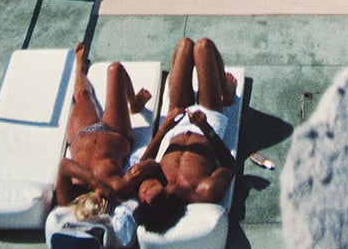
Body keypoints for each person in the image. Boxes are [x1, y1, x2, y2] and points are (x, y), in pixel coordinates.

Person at [124, 37, 240, 234]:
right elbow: (229, 165)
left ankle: (182, 86)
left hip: (175, 126)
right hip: (208, 121)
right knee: (204, 46)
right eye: (146, 199)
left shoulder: (151, 185)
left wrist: (164, 128)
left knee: (185, 44)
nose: (142, 195)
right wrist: (205, 127)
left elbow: (146, 161)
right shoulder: (203, 190)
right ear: (161, 204)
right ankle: (226, 92)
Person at [55, 50, 152, 205]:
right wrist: (137, 172)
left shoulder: (68, 200)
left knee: (82, 95)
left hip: (81, 135)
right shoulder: (116, 188)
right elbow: (151, 165)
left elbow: (64, 165)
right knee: (115, 69)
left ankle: (80, 68)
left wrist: (96, 183)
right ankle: (133, 104)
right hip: (115, 132)